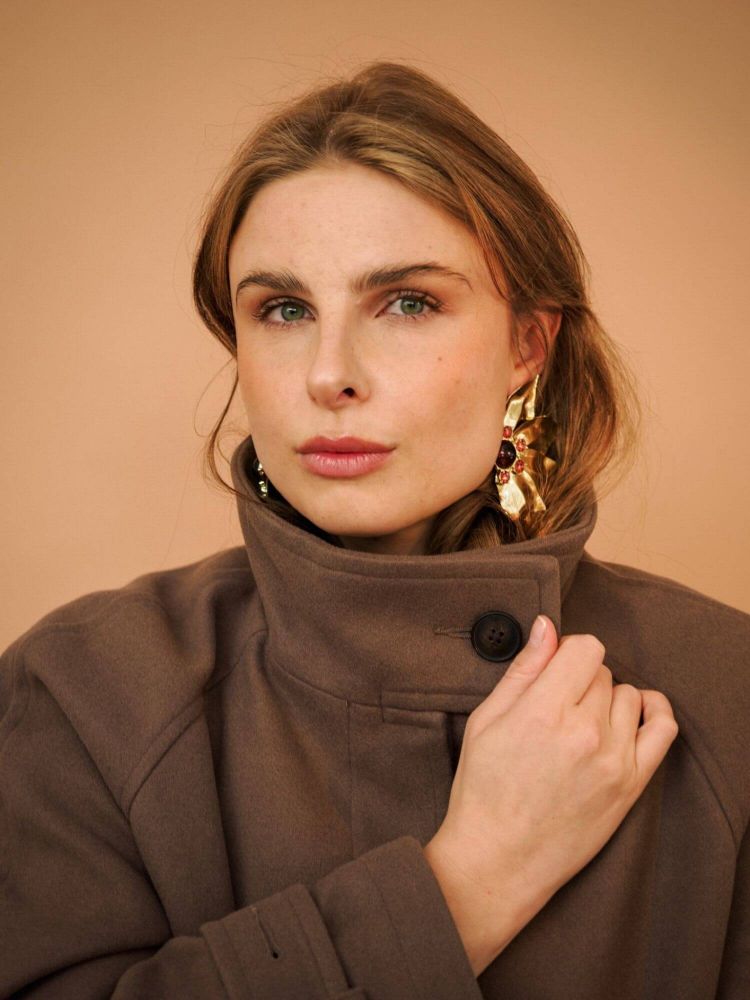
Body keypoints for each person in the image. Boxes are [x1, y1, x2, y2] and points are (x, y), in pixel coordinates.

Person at [1, 60, 748, 1000]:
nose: (329, 374)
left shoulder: (726, 690)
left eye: (407, 303)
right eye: (284, 310)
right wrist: (468, 883)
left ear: (527, 344)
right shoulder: (84, 693)